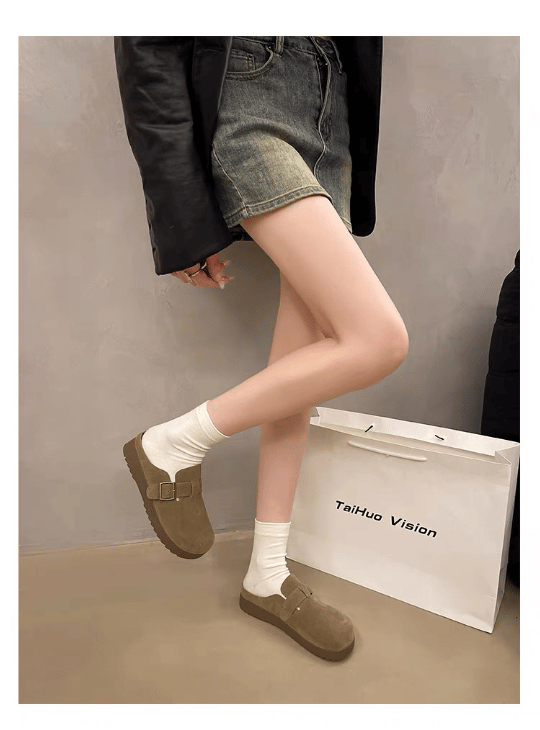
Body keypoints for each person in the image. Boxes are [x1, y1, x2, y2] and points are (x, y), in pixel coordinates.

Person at [116, 36, 408, 662]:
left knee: (305, 365)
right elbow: (148, 52)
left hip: (332, 110)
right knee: (378, 340)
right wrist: (179, 217)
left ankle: (267, 574)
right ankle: (174, 443)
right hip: (251, 90)